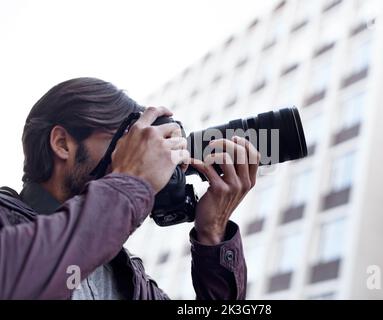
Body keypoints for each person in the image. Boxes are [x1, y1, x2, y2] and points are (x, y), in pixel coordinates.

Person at [2, 77, 259, 300]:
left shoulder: (131, 278)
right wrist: (133, 180)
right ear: (62, 144)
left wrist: (213, 235)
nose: (139, 158)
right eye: (126, 144)